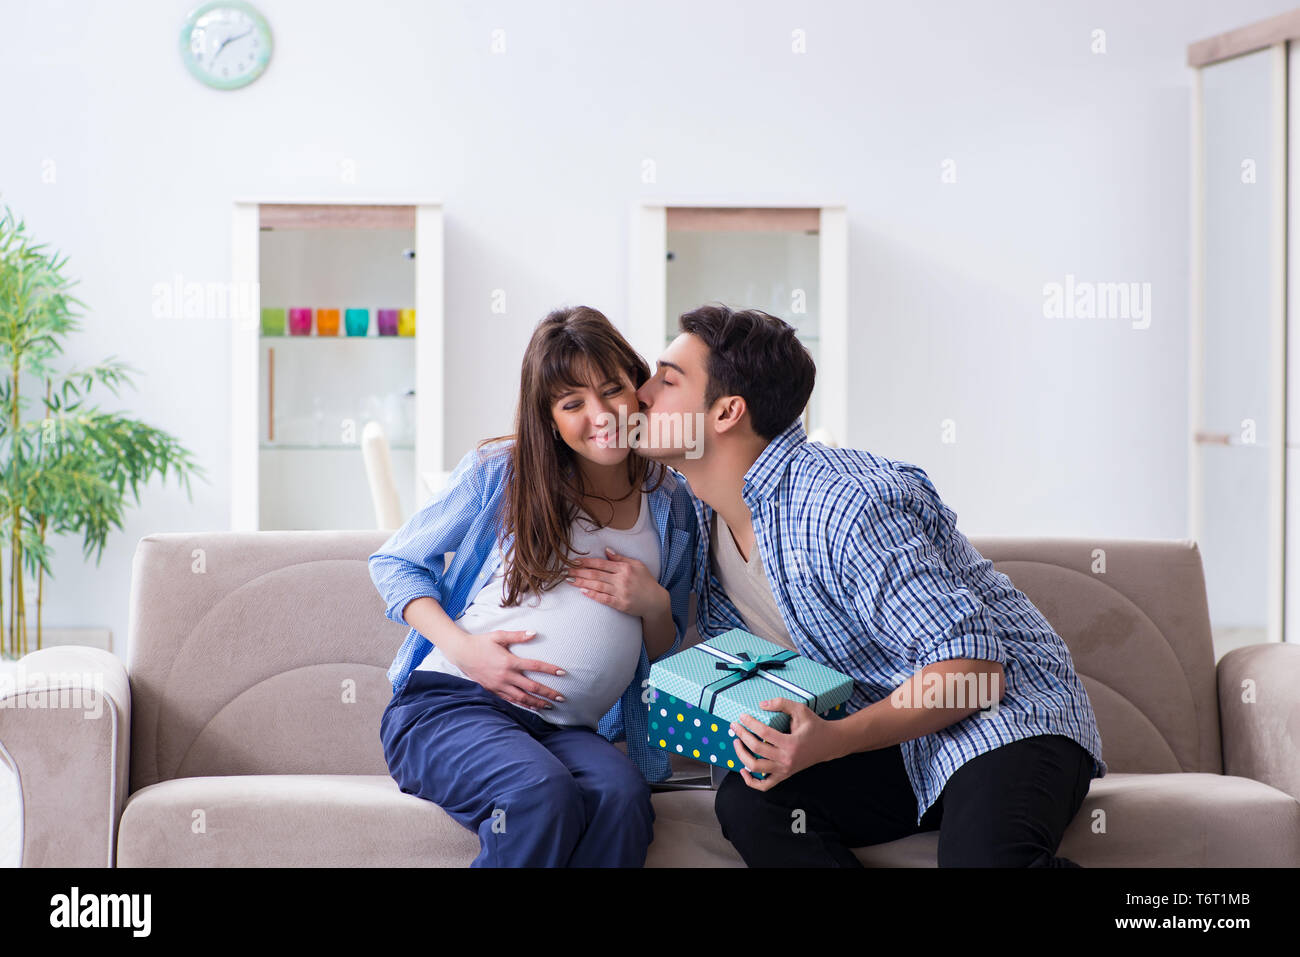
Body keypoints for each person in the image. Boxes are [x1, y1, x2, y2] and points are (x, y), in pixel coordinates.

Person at [631, 302, 1106, 867]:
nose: (642, 392)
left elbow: (973, 673)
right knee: (753, 799)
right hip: (891, 744)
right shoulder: (696, 517)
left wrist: (831, 741)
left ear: (727, 412)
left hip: (1003, 718)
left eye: (668, 379)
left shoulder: (842, 506)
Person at [371, 305, 697, 867]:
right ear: (548, 416)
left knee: (620, 799)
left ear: (636, 386)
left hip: (566, 729)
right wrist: (468, 652)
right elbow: (394, 564)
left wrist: (655, 604)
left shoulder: (671, 502)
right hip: (452, 707)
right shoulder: (503, 473)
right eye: (573, 404)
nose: (601, 415)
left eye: (611, 390)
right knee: (538, 794)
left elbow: (665, 650)